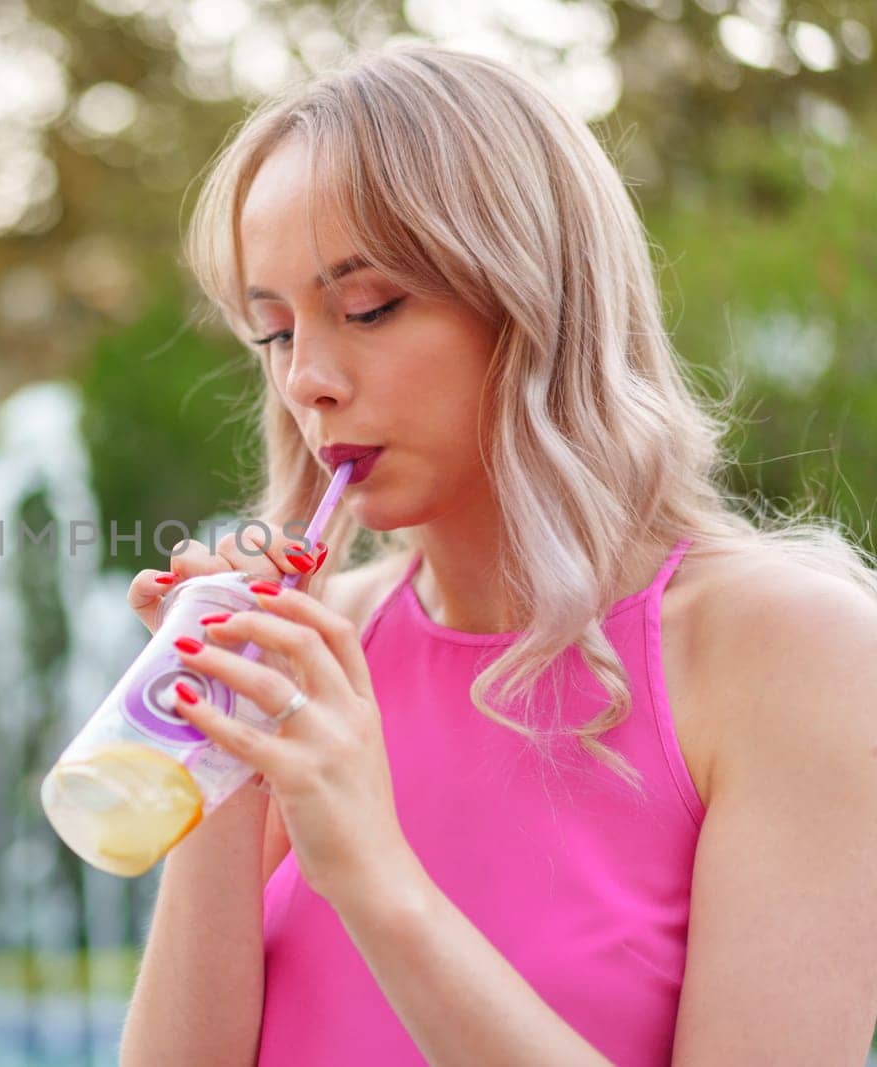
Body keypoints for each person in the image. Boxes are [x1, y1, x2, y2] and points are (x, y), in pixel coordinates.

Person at [118, 42, 877, 1065]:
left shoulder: (793, 651)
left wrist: (379, 882)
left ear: (532, 302)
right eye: (274, 330)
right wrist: (213, 737)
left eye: (368, 306)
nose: (307, 378)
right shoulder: (310, 655)